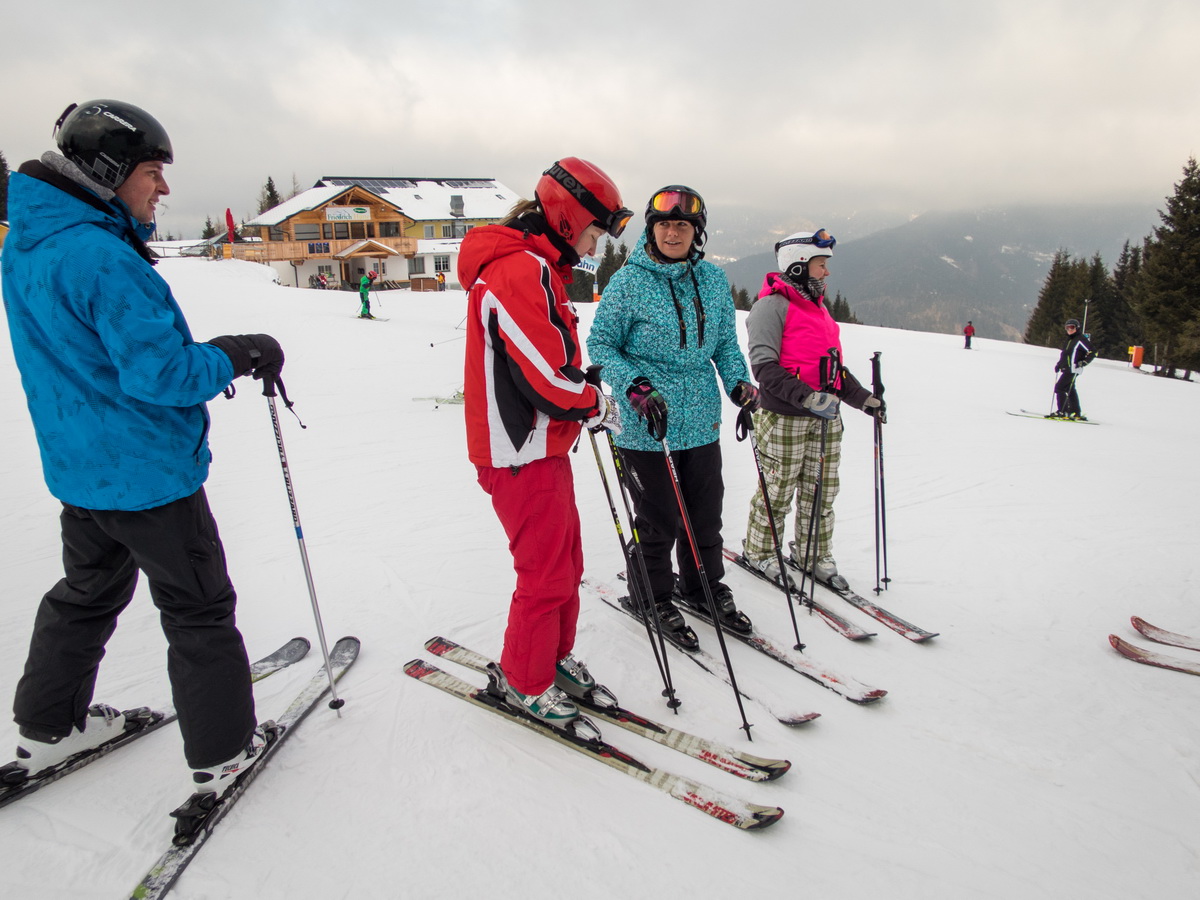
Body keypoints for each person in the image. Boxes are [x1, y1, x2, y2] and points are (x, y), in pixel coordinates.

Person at [0, 100, 285, 798]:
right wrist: (239, 352)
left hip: (82, 470)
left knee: (85, 594)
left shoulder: (30, 242)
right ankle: (224, 751)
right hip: (148, 475)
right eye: (153, 171)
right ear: (108, 171)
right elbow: (164, 375)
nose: (163, 187)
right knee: (198, 607)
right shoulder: (99, 256)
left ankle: (48, 727)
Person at [459, 158, 629, 734]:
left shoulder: (538, 268)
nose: (596, 245)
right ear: (566, 218)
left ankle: (550, 659)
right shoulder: (518, 271)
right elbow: (545, 382)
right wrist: (594, 402)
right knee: (544, 573)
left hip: (540, 447)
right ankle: (524, 680)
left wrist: (582, 386)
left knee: (566, 563)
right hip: (518, 453)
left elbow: (548, 361)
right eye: (594, 230)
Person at [588, 185, 759, 646]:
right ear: (651, 229)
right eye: (664, 224)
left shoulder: (712, 280)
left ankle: (703, 587)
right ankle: (652, 595)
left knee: (704, 514)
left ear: (696, 231)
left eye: (682, 224)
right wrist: (635, 385)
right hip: (645, 424)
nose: (672, 232)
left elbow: (725, 344)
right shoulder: (628, 282)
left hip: (701, 420)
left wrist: (738, 382)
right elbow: (601, 344)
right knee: (659, 517)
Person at [740, 230, 881, 590]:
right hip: (785, 418)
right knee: (777, 492)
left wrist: (863, 399)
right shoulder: (770, 307)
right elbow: (764, 368)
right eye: (821, 265)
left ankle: (812, 554)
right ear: (799, 266)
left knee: (821, 492)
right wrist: (808, 398)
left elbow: (833, 370)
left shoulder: (818, 309)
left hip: (826, 419)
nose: (827, 272)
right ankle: (760, 552)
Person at [1048, 318, 1095, 419]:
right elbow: (1065, 355)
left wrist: (1084, 362)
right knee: (1070, 388)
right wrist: (1059, 364)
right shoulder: (1069, 340)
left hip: (1073, 369)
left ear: (1077, 328)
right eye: (1067, 328)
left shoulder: (1080, 339)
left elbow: (1093, 352)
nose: (1069, 330)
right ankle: (1075, 412)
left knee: (1059, 388)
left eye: (1072, 327)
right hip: (1067, 368)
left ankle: (1063, 411)